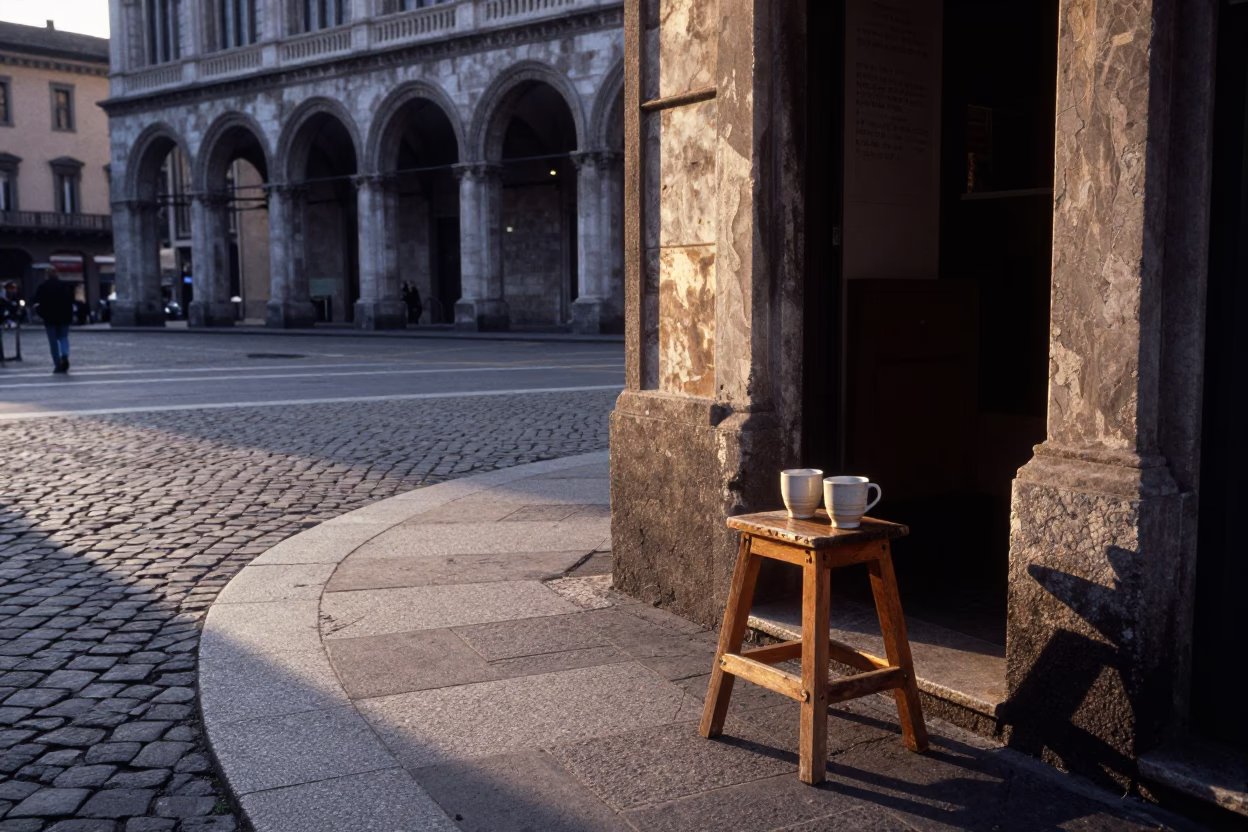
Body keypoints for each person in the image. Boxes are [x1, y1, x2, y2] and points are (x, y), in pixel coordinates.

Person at [32, 269, 74, 373]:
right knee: (64, 338)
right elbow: (70, 302)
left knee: (53, 342)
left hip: (49, 318)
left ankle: (57, 364)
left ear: (47, 275)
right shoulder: (64, 286)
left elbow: (36, 302)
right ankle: (64, 355)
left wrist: (42, 314)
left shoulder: (42, 287)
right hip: (64, 317)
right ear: (57, 274)